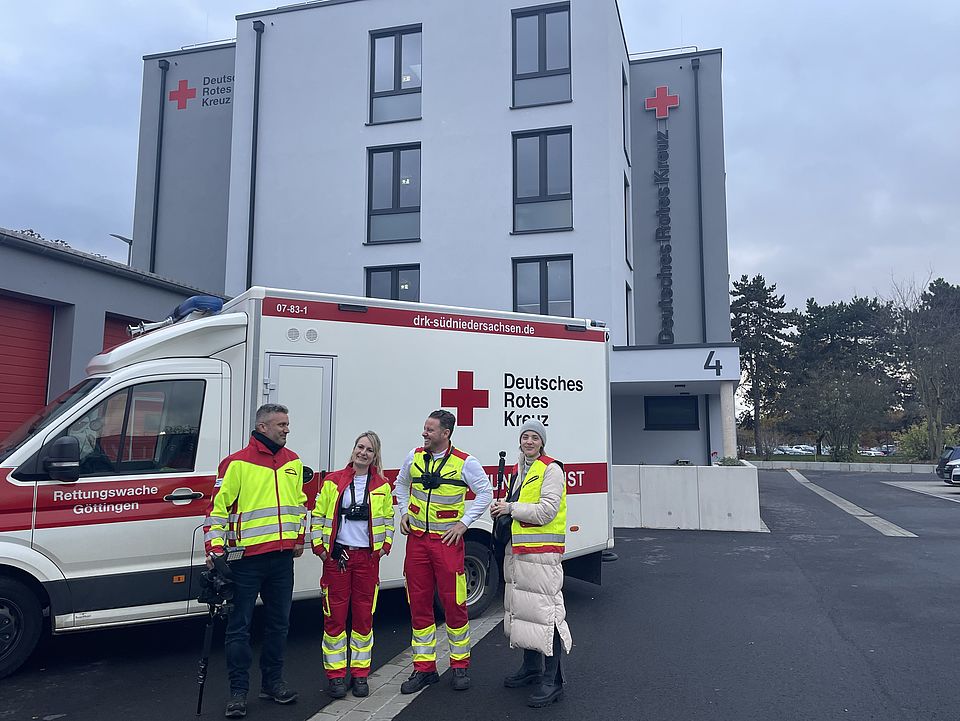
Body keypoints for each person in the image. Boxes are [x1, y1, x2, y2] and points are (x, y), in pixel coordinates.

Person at [204, 404, 307, 719]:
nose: (286, 429)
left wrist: (299, 538)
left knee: (279, 626)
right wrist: (215, 549)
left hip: (281, 560)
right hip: (245, 561)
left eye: (288, 423)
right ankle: (238, 692)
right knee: (239, 628)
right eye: (280, 424)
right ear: (262, 427)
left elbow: (300, 504)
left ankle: (272, 683)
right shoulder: (236, 464)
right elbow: (217, 509)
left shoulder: (293, 462)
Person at [394, 410, 493, 693]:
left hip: (447, 544)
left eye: (430, 430)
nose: (424, 433)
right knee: (419, 605)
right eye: (424, 428)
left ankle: (460, 666)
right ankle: (424, 669)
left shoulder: (465, 463)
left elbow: (485, 493)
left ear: (445, 433)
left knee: (454, 604)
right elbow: (400, 485)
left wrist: (463, 524)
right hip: (417, 542)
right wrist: (403, 512)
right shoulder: (413, 457)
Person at [489, 419, 572, 708]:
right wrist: (502, 511)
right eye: (525, 436)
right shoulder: (519, 469)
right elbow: (519, 508)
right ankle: (532, 668)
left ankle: (553, 680)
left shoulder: (551, 468)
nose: (529, 441)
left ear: (542, 442)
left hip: (543, 554)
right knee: (525, 612)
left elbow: (547, 510)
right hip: (520, 552)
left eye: (534, 437)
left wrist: (510, 508)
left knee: (546, 613)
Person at [311, 431, 395, 699]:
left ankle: (360, 675)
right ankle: (336, 676)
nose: (363, 453)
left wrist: (383, 548)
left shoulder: (381, 485)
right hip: (338, 558)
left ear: (375, 455)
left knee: (363, 619)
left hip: (366, 560)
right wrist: (321, 550)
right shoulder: (333, 481)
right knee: (334, 619)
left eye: (369, 450)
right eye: (360, 447)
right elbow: (318, 515)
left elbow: (389, 519)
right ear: (354, 449)